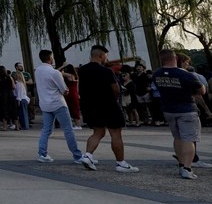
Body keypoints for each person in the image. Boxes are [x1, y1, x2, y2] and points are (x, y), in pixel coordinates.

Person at [78, 45, 140, 173]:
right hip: (108, 104)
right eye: (106, 56)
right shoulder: (106, 71)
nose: (107, 59)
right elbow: (116, 88)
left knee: (98, 132)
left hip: (90, 105)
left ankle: (88, 155)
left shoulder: (82, 70)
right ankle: (120, 163)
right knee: (116, 133)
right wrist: (116, 98)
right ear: (101, 56)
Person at [152, 49, 207, 179]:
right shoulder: (185, 74)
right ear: (175, 58)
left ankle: (181, 164)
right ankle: (187, 168)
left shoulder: (157, 74)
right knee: (188, 139)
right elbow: (201, 90)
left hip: (168, 110)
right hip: (186, 109)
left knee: (177, 138)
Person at [33, 49, 87, 166]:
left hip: (45, 104)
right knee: (68, 130)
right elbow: (64, 90)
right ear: (50, 58)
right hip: (58, 103)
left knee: (46, 130)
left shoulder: (38, 71)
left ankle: (42, 154)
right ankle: (77, 156)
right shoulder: (54, 73)